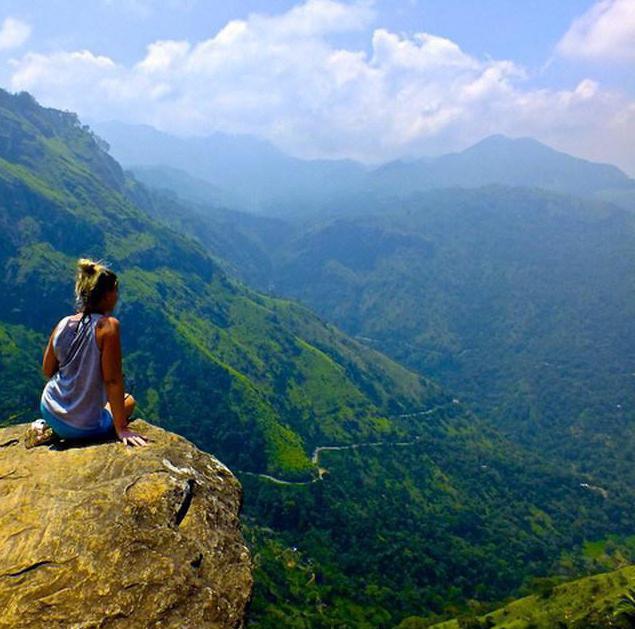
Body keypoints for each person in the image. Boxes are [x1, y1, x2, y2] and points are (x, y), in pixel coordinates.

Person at [33, 258, 147, 447]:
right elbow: (112, 380)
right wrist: (121, 428)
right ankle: (69, 431)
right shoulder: (108, 327)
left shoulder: (63, 323)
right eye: (115, 290)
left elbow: (47, 370)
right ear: (107, 295)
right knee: (129, 401)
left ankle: (48, 428)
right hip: (82, 427)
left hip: (49, 408)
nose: (117, 296)